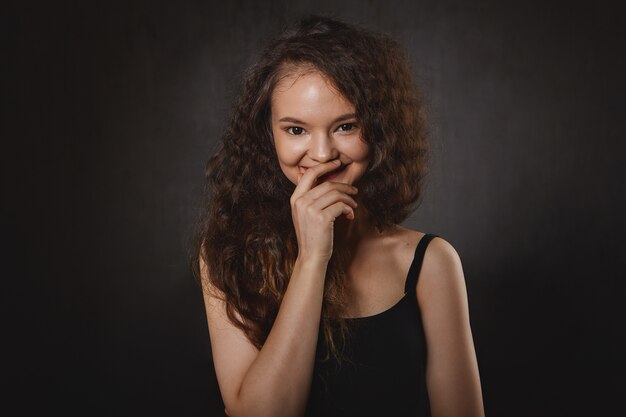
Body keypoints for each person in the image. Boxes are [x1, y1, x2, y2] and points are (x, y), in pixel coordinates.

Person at [193, 15, 485, 417]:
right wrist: (313, 257)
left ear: (379, 129)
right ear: (269, 135)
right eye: (296, 130)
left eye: (345, 126)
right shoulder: (227, 255)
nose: (323, 154)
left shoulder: (432, 263)